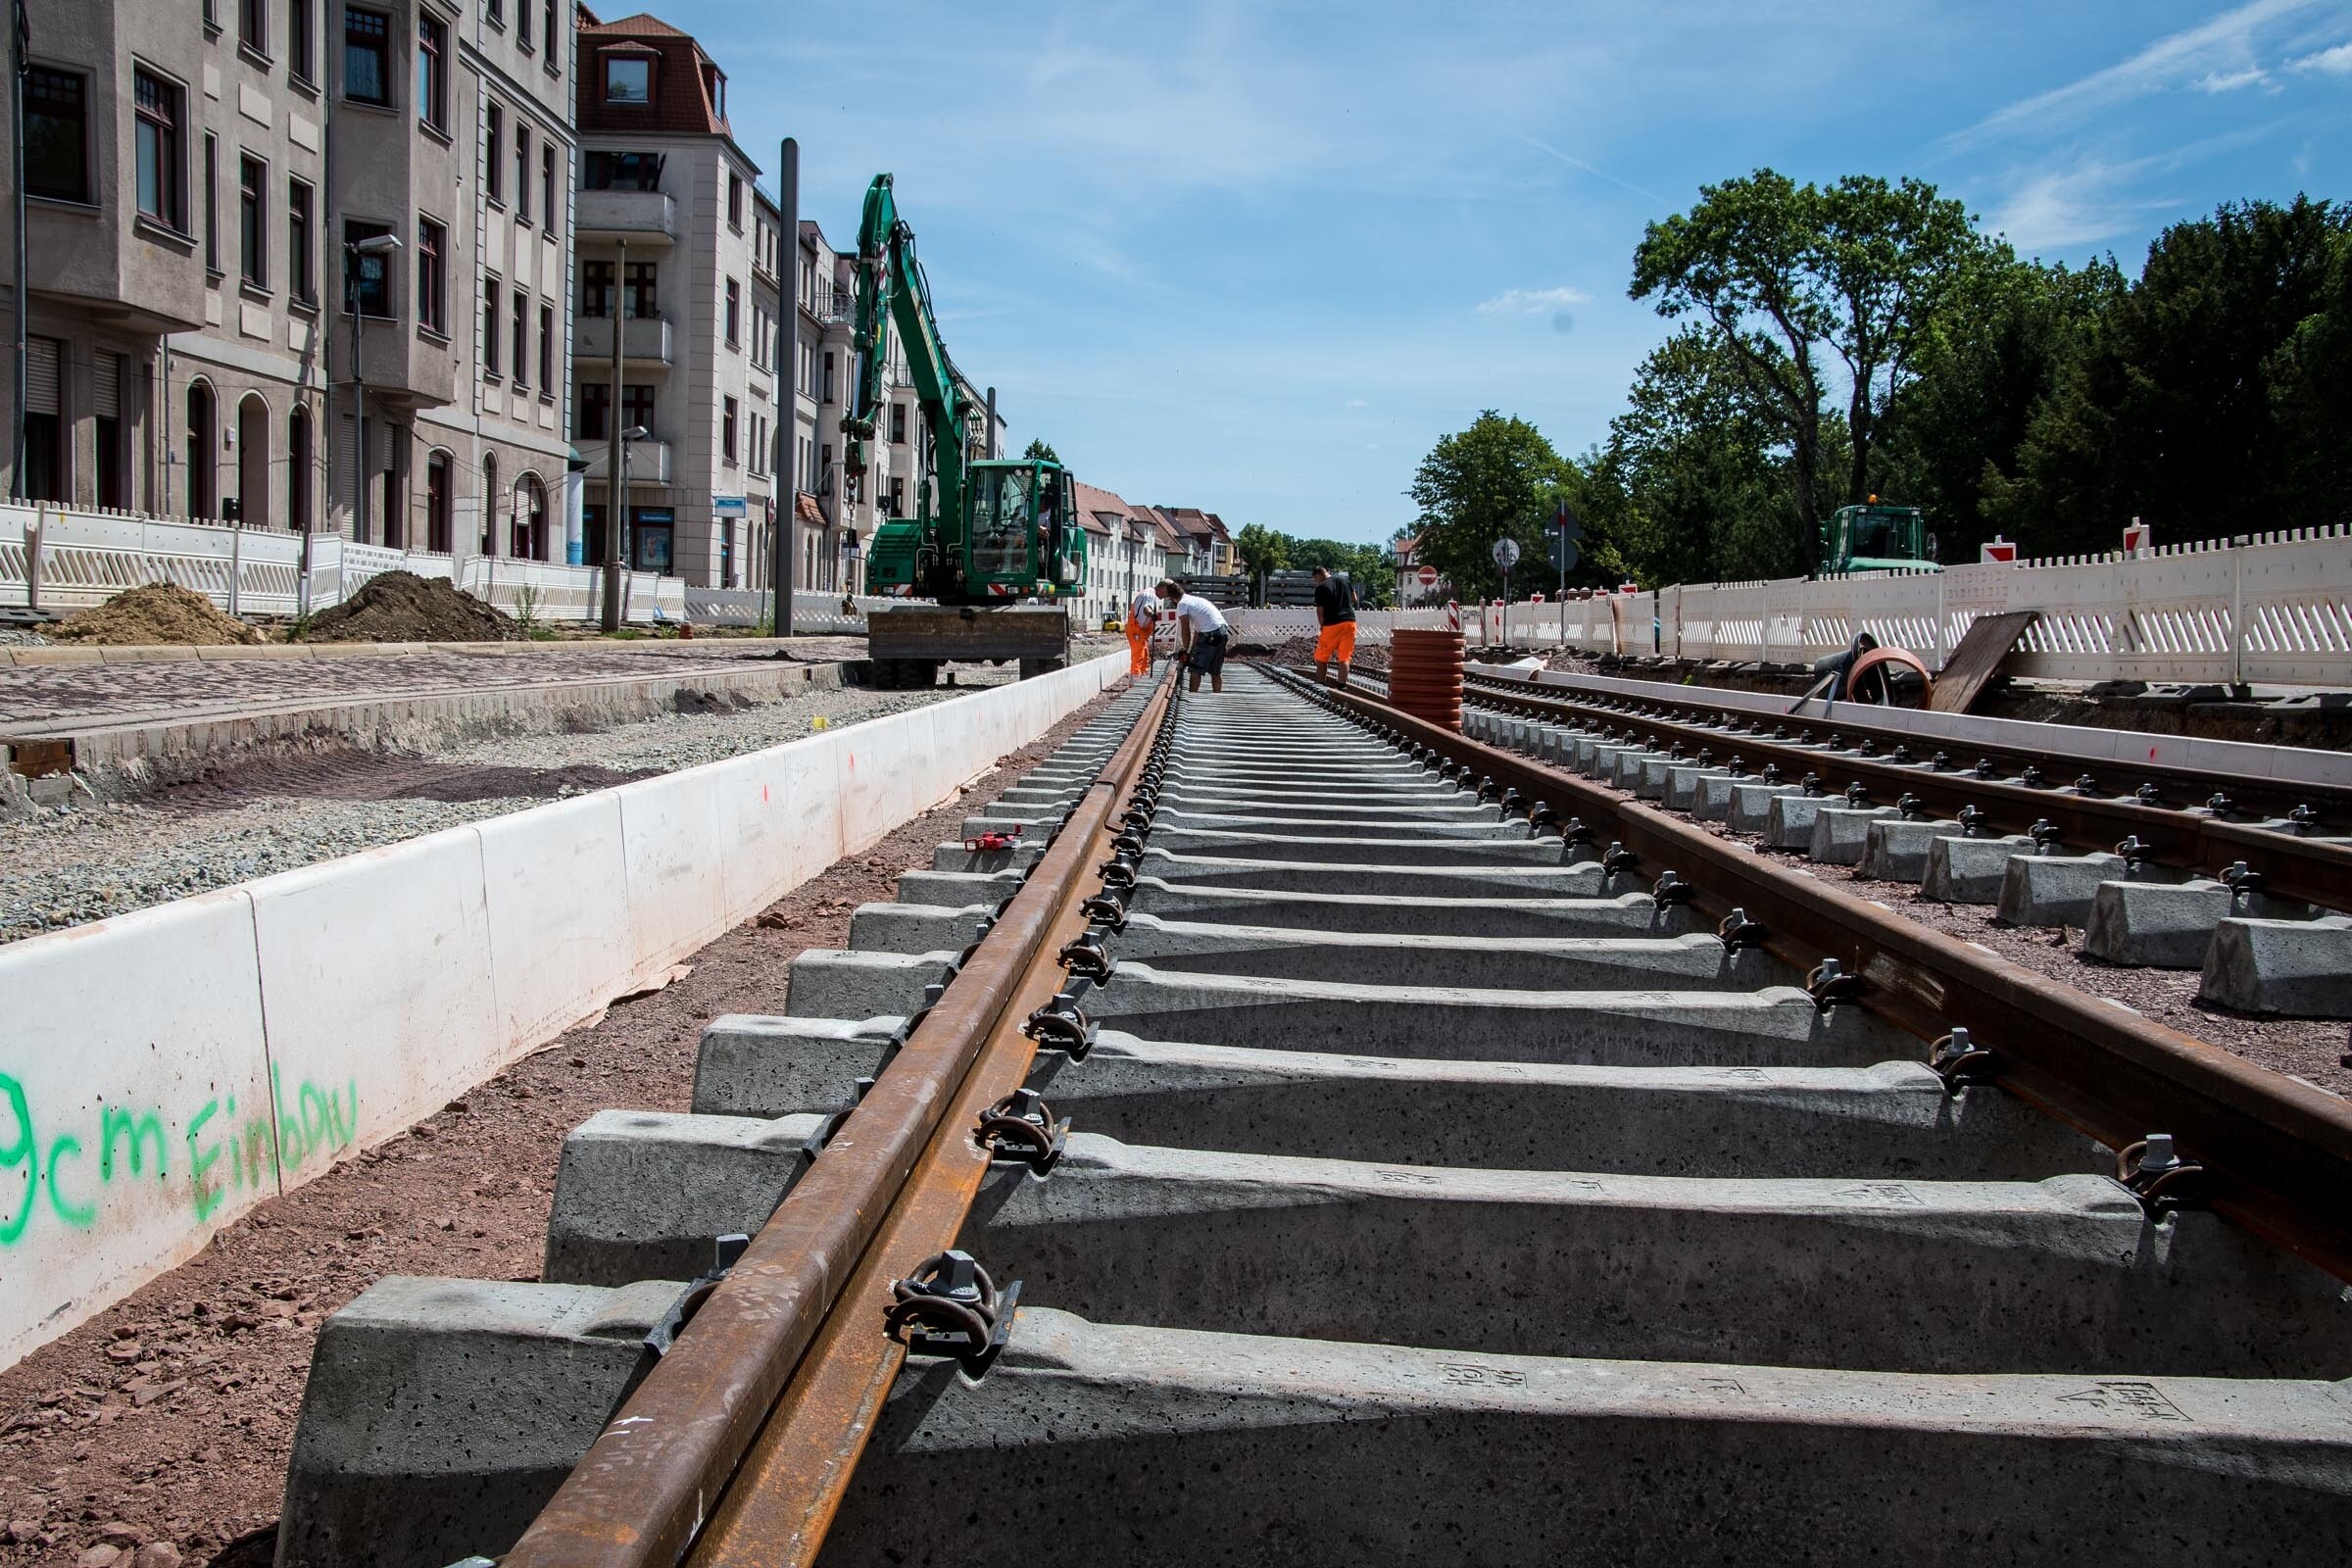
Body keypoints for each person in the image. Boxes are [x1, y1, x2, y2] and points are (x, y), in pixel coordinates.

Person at [1157, 579, 1229, 693]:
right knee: (1216, 671)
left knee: (1195, 669)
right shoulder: (1195, 601)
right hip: (1223, 632)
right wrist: (1191, 650)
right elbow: (1196, 631)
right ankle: (1217, 696)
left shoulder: (1182, 604)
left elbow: (1186, 630)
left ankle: (1192, 697)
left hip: (1209, 635)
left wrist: (1185, 649)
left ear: (1172, 598)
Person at [1310, 565, 1357, 687]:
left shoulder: (1321, 587)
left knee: (1321, 657)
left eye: (1315, 579)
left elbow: (1320, 611)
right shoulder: (1345, 581)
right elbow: (1354, 599)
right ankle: (1342, 686)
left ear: (1318, 575)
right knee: (1345, 657)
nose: (1316, 581)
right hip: (1350, 622)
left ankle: (1320, 684)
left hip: (1332, 624)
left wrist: (1323, 626)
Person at [1125, 584, 1159, 676]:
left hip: (1140, 631)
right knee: (1138, 657)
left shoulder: (1150, 594)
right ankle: (1135, 682)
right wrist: (1152, 615)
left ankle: (1142, 677)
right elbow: (1146, 608)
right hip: (1137, 629)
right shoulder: (1149, 595)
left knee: (1144, 655)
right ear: (1163, 589)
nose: (1166, 596)